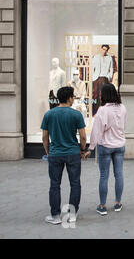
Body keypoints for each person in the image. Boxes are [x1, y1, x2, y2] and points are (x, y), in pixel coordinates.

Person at [41, 86, 87, 225]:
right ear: (69, 98)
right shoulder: (76, 114)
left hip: (55, 153)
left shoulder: (49, 114)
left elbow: (44, 137)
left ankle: (55, 216)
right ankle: (72, 215)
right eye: (73, 96)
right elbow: (83, 136)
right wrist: (82, 150)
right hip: (73, 153)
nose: (74, 99)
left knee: (54, 185)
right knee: (75, 183)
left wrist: (48, 152)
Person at [88, 83, 127, 216]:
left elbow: (97, 131)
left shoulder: (103, 110)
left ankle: (102, 205)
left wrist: (91, 147)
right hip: (120, 145)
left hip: (105, 146)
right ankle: (117, 203)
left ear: (103, 95)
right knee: (119, 174)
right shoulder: (122, 108)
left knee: (104, 176)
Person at [92, 44, 113, 116]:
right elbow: (92, 67)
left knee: (104, 95)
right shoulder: (96, 57)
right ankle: (95, 112)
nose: (104, 51)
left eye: (106, 50)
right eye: (103, 49)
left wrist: (109, 76)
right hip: (97, 78)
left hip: (105, 78)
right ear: (101, 49)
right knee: (95, 95)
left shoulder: (109, 58)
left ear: (107, 51)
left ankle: (103, 113)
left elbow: (111, 68)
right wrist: (92, 77)